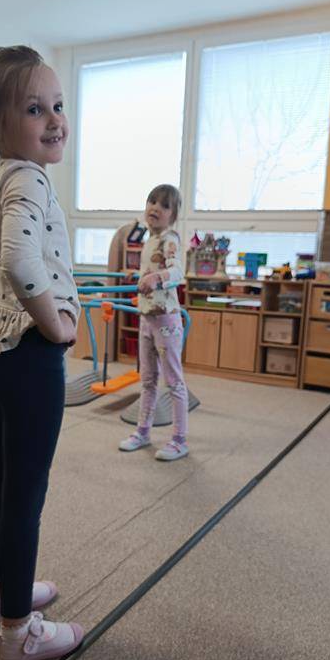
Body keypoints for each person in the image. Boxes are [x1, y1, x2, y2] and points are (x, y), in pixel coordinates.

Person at [0, 46, 83, 660]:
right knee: (25, 495)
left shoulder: (6, 173)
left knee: (2, 484)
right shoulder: (29, 176)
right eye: (35, 109)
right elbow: (21, 261)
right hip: (29, 353)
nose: (54, 120)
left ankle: (0, 595)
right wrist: (57, 326)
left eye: (57, 105)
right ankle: (18, 634)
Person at [119, 185, 189, 461]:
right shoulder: (151, 239)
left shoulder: (170, 238)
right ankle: (143, 431)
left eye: (164, 205)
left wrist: (155, 278)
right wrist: (137, 275)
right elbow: (151, 269)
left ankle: (179, 440)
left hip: (166, 319)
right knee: (147, 380)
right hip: (147, 318)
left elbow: (177, 271)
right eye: (152, 201)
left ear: (173, 215)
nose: (155, 207)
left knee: (174, 382)